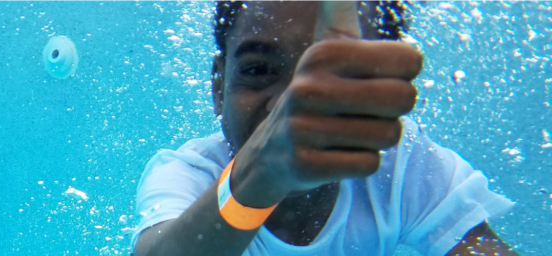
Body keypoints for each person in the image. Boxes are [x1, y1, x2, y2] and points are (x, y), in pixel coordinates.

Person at [131, 2, 517, 256]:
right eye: (257, 70)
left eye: (341, 75)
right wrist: (262, 174)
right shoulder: (191, 174)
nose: (294, 104)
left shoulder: (401, 166)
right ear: (219, 88)